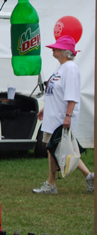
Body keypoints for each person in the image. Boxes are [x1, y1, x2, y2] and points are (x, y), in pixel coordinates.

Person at [33, 35, 94, 194]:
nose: (53, 49)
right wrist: (45, 109)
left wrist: (68, 116)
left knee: (56, 149)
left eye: (57, 48)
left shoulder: (71, 69)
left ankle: (51, 184)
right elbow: (55, 93)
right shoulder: (61, 68)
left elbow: (72, 95)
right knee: (59, 150)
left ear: (66, 52)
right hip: (53, 117)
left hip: (60, 118)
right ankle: (89, 177)